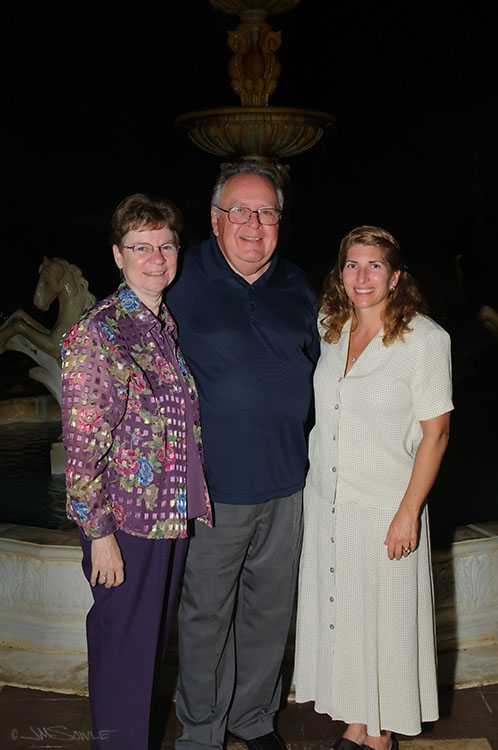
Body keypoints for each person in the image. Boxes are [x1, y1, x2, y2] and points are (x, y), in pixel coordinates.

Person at [166, 161, 319, 750]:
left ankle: (253, 718)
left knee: (268, 613)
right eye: (240, 211)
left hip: (288, 483)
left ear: (279, 221)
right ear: (215, 219)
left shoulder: (298, 285)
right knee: (205, 616)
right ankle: (202, 730)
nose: (253, 223)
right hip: (212, 487)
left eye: (266, 212)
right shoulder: (180, 276)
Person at [294, 226, 453, 750]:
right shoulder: (331, 328)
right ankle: (357, 722)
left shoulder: (425, 339)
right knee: (345, 612)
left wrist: (409, 513)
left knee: (385, 621)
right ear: (339, 275)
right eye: (352, 265)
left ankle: (379, 734)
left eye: (375, 266)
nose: (362, 276)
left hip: (385, 503)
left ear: (396, 276)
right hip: (329, 501)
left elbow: (437, 432)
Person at [61, 193, 211, 750]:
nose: (156, 257)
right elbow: (80, 451)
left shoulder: (161, 325)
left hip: (165, 519)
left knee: (141, 655)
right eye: (141, 247)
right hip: (126, 526)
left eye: (166, 245)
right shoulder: (99, 332)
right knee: (123, 655)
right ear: (118, 256)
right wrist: (99, 536)